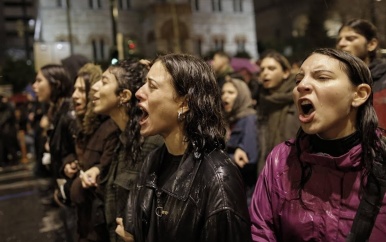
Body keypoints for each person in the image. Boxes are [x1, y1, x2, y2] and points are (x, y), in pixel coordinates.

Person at [249, 48, 386, 241]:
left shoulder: (381, 159)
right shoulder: (281, 160)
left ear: (359, 94)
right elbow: (261, 230)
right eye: (299, 80)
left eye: (321, 77)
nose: (302, 85)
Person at [125, 53, 251, 242]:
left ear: (184, 103)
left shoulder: (218, 177)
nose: (139, 92)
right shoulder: (153, 160)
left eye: (152, 86)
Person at [90, 59, 163, 242]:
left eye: (104, 81)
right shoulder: (121, 139)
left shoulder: (151, 143)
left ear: (124, 95)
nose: (94, 87)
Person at [62, 63, 120, 241]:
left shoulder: (111, 127)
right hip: (85, 220)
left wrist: (72, 186)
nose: (74, 96)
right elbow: (72, 153)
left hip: (99, 224)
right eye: (74, 89)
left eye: (81, 90)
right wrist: (69, 163)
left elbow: (106, 176)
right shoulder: (82, 125)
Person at [336, 18, 386, 131]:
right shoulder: (338, 80)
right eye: (339, 39)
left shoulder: (383, 79)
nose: (341, 44)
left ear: (371, 44)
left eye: (350, 39)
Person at [257, 50, 299, 173]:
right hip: (267, 168)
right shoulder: (263, 100)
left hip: (294, 168)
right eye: (262, 69)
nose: (265, 73)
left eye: (271, 68)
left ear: (285, 72)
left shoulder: (298, 97)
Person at [221, 78, 258, 203]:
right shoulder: (228, 120)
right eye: (223, 93)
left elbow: (248, 159)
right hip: (228, 190)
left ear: (242, 95)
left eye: (231, 93)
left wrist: (225, 158)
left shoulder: (249, 119)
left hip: (244, 194)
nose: (225, 97)